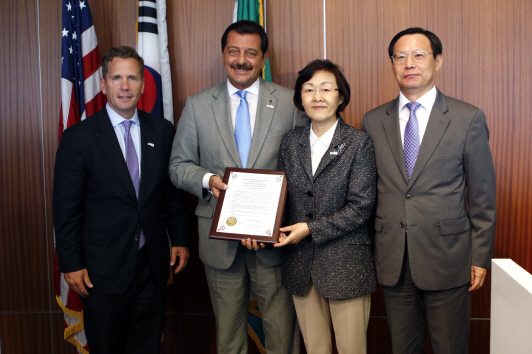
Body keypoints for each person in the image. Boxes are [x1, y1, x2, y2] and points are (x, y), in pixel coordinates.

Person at [168, 20, 306, 354]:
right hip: (220, 240)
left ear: (263, 58)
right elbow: (177, 166)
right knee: (229, 339)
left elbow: (303, 170)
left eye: (250, 53)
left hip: (273, 240)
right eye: (233, 51)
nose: (241, 60)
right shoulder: (197, 105)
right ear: (222, 54)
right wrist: (208, 181)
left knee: (282, 336)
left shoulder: (290, 103)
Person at [362, 28, 496, 353]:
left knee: (450, 346)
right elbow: (368, 192)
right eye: (400, 57)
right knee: (402, 347)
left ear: (438, 61)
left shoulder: (467, 118)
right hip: (393, 257)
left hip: (447, 257)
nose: (409, 63)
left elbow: (482, 196)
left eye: (419, 55)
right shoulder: (373, 120)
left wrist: (480, 256)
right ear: (392, 64)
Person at [53, 46, 189, 354]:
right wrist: (71, 263)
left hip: (151, 266)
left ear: (143, 84)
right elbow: (65, 209)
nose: (124, 86)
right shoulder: (79, 138)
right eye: (116, 78)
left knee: (147, 346)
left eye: (131, 78)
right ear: (103, 85)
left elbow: (170, 194)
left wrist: (180, 239)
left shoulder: (163, 131)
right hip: (101, 271)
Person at [274, 59, 377, 354]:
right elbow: (280, 198)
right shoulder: (289, 142)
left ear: (340, 96)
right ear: (300, 98)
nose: (317, 97)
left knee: (351, 350)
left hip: (346, 265)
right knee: (315, 349)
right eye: (309, 90)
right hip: (300, 265)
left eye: (326, 89)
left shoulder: (358, 142)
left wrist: (310, 228)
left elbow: (361, 206)